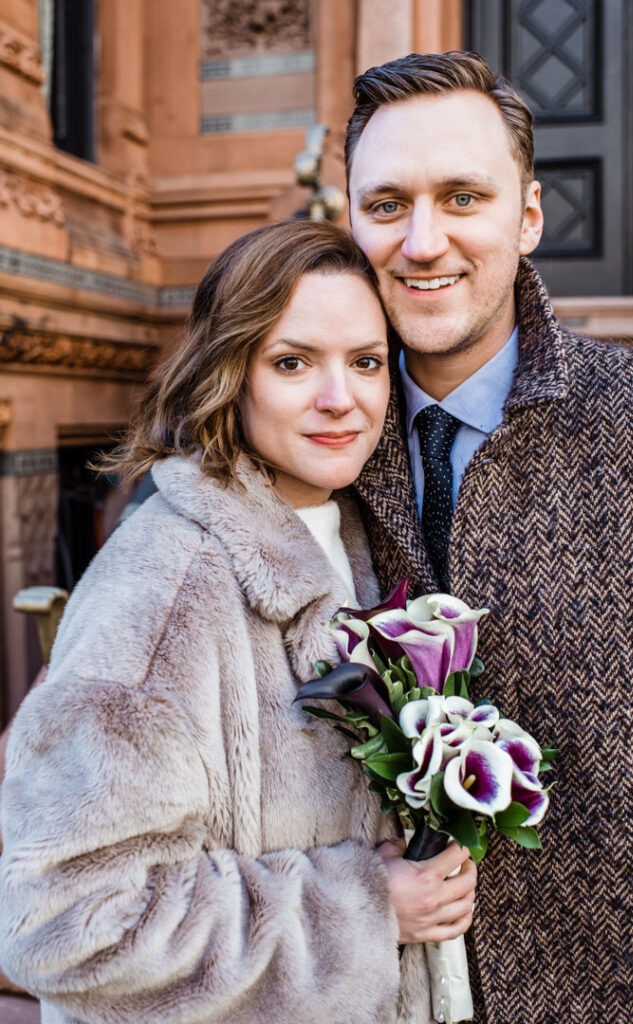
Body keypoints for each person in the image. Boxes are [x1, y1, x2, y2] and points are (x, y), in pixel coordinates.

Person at [0, 220, 477, 1024]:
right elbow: (63, 922)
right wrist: (362, 913)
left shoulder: (346, 532)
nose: (341, 398)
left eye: (365, 362)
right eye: (293, 362)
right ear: (231, 374)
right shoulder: (166, 585)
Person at [344, 51, 633, 1024]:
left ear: (528, 215)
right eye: (386, 204)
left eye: (462, 196)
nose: (421, 240)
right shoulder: (300, 448)